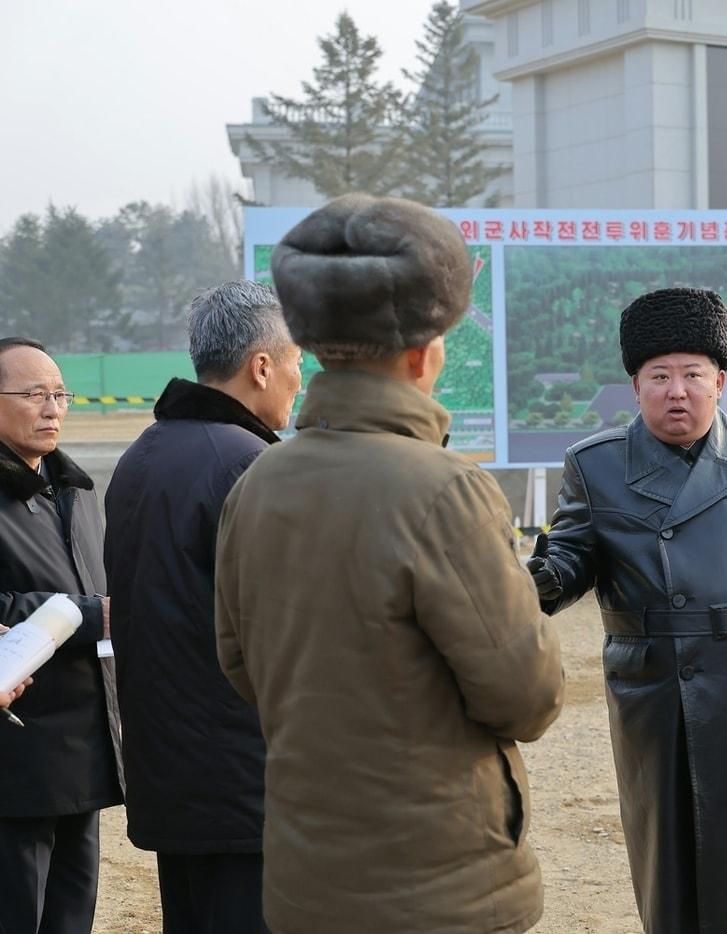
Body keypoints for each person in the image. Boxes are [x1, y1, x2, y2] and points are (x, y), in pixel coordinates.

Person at [214, 194, 564, 934]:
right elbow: (524, 696)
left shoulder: (256, 483)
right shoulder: (443, 491)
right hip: (441, 890)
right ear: (422, 353)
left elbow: (241, 665)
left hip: (306, 876)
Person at [527, 288, 727, 934]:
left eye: (693, 374)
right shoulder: (597, 466)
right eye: (660, 376)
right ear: (634, 386)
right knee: (683, 880)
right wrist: (523, 585)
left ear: (720, 380)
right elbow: (567, 561)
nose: (678, 391)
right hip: (664, 699)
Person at [104, 281, 302, 933]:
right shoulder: (247, 465)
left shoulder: (142, 455)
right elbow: (283, 631)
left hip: (170, 773)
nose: (299, 379)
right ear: (262, 365)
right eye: (296, 361)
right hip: (245, 780)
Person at [0, 337, 123, 934]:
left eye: (59, 394)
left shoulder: (77, 490)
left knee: (74, 907)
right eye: (32, 394)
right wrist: (80, 615)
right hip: (18, 748)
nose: (52, 408)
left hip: (84, 741)